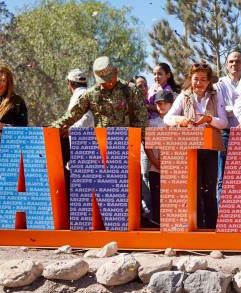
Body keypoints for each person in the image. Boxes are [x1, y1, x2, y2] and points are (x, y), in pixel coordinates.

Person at [164, 62, 228, 229]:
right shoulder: (183, 96)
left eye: (203, 80)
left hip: (210, 149)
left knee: (210, 189)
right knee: (194, 189)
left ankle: (213, 228)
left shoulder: (216, 95)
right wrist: (180, 120)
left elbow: (224, 122)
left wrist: (209, 119)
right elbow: (167, 118)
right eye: (196, 79)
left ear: (208, 82)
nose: (199, 83)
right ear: (190, 79)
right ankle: (196, 227)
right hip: (190, 150)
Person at [52, 57, 148, 130]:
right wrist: (53, 127)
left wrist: (141, 143)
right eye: (104, 80)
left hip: (127, 145)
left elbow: (142, 121)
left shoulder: (130, 90)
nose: (108, 83)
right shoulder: (91, 94)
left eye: (110, 78)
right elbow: (73, 114)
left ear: (116, 72)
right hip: (102, 145)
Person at [141, 89, 175, 227]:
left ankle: (172, 224)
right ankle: (157, 225)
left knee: (172, 198)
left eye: (165, 103)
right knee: (156, 197)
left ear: (172, 104)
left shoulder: (178, 122)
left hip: (174, 168)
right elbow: (147, 144)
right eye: (158, 103)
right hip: (155, 167)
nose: (161, 106)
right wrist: (155, 162)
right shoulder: (151, 123)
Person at [214, 51, 241, 205]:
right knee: (223, 177)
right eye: (231, 61)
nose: (234, 64)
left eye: (238, 61)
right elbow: (220, 110)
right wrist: (240, 110)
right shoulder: (219, 85)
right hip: (226, 134)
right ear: (226, 65)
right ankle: (222, 216)